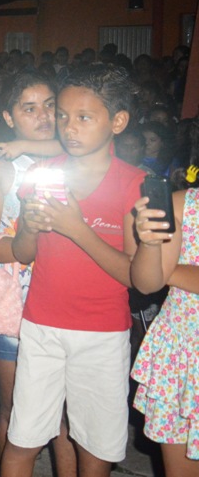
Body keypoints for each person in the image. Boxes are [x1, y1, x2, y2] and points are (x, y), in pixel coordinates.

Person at [2, 66, 146, 477]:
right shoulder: (42, 174)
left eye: (84, 117)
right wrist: (29, 226)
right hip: (41, 325)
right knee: (22, 438)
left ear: (117, 121)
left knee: (94, 449)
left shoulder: (133, 185)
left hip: (101, 333)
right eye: (62, 116)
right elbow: (22, 252)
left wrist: (77, 229)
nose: (69, 127)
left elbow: (136, 276)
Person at [0, 72, 75, 475]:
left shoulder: (75, 155)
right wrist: (26, 241)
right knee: (15, 409)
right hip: (13, 302)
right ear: (8, 117)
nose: (44, 115)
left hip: (68, 299)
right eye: (29, 108)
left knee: (65, 416)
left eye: (50, 105)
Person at [130, 168, 199, 473]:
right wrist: (150, 244)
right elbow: (147, 283)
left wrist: (175, 271)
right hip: (183, 358)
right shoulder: (185, 205)